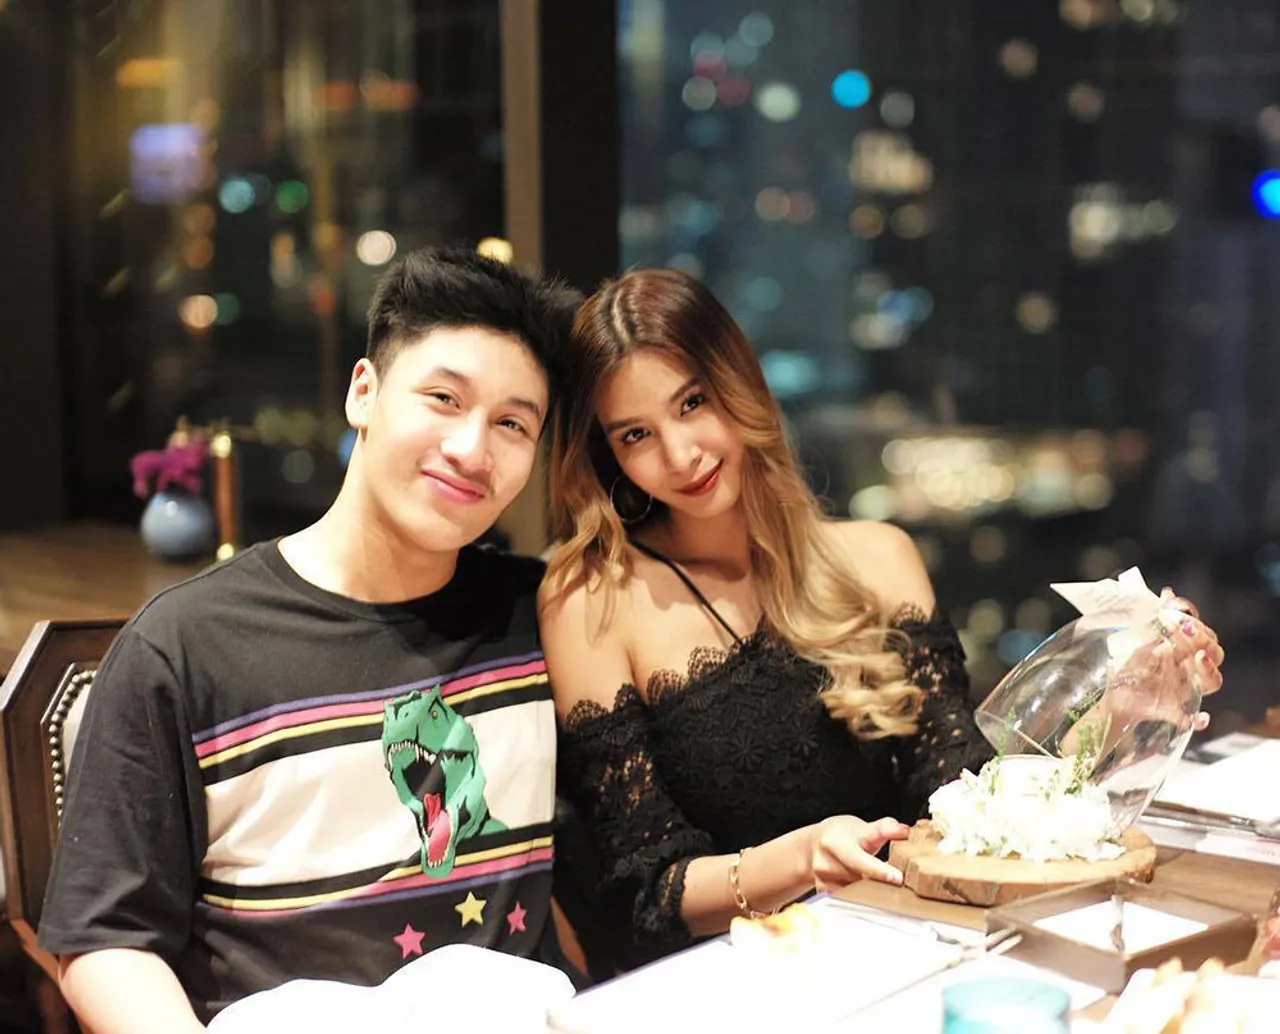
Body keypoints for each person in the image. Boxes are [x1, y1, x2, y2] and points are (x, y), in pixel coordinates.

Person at [538, 268, 1225, 971]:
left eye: (693, 403)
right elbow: (646, 889)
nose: (679, 454)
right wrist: (801, 858)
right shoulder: (593, 598)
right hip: (731, 978)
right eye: (635, 434)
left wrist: (1118, 709)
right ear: (607, 452)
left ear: (738, 384)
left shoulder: (878, 560)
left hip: (912, 949)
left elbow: (962, 795)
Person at [38, 247, 581, 1030]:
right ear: (363, 392)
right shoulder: (187, 647)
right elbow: (105, 940)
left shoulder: (543, 616)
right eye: (442, 398)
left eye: (512, 424)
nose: (472, 449)